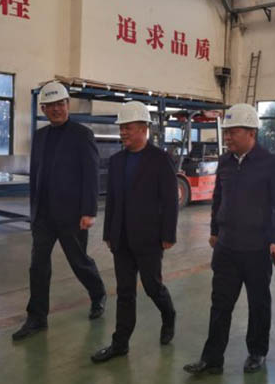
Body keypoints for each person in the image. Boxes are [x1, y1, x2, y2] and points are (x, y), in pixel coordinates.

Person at [183, 103, 275, 376]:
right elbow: (219, 196)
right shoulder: (225, 161)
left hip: (258, 247)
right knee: (220, 303)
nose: (227, 137)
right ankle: (212, 358)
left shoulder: (270, 163)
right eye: (226, 131)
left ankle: (257, 352)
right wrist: (214, 230)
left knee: (258, 303)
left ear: (251, 132)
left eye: (233, 132)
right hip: (227, 246)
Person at [12, 81, 106, 341]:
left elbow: (91, 174)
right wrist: (33, 211)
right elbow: (36, 175)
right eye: (50, 105)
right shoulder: (40, 136)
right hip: (43, 215)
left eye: (60, 104)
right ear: (43, 109)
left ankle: (98, 294)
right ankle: (37, 318)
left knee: (79, 262)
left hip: (72, 215)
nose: (56, 109)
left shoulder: (82, 134)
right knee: (38, 266)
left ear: (68, 105)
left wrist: (89, 211)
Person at [91, 101, 178, 363]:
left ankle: (169, 314)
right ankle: (120, 344)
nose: (123, 132)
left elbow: (170, 200)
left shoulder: (160, 159)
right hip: (121, 238)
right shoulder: (117, 161)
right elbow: (112, 200)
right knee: (125, 292)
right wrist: (109, 233)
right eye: (121, 128)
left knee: (152, 287)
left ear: (143, 128)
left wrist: (168, 235)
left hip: (149, 238)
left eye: (127, 128)